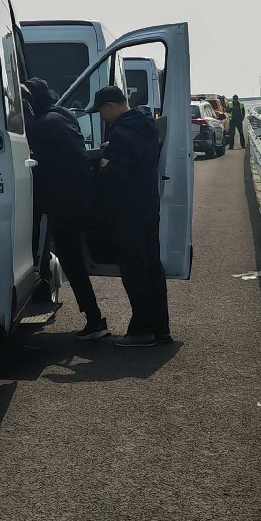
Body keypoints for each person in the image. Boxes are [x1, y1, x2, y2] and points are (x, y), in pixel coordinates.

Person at [22, 77, 108, 339]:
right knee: (71, 257)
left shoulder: (41, 126)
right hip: (82, 196)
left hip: (63, 202)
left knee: (71, 260)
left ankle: (95, 320)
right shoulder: (65, 115)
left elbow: (34, 163)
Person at [92, 84, 172, 347]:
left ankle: (141, 331)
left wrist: (104, 163)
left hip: (128, 209)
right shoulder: (147, 124)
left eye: (102, 111)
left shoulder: (122, 133)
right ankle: (161, 329)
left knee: (134, 269)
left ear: (112, 106)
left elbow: (117, 175)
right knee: (152, 266)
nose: (102, 116)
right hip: (149, 204)